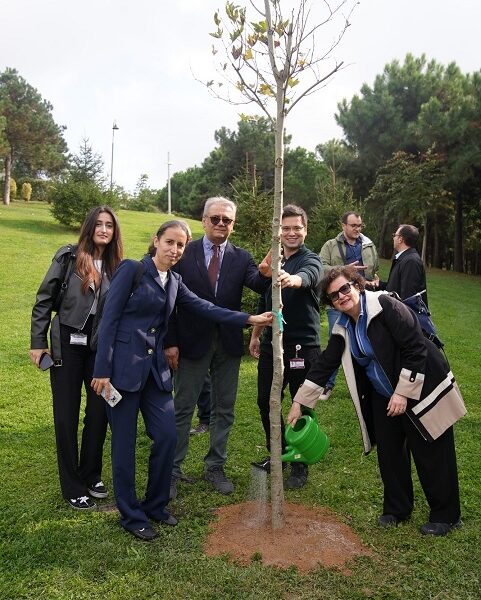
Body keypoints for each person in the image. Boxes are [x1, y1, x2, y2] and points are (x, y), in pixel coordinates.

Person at [91, 220, 272, 541]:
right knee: (124, 445)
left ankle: (155, 505)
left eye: (180, 245)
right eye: (170, 242)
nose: (174, 250)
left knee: (167, 436)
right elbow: (109, 320)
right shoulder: (132, 270)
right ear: (156, 240)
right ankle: (131, 516)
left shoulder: (175, 281)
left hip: (156, 374)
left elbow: (206, 307)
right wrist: (101, 370)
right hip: (122, 373)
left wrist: (249, 318)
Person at [287, 266, 466, 536]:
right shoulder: (343, 327)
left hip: (420, 386)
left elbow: (415, 347)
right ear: (331, 303)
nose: (341, 296)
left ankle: (446, 516)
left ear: (357, 285)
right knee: (390, 454)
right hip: (383, 395)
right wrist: (299, 402)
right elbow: (325, 364)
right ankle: (397, 509)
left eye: (345, 288)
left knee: (432, 451)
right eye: (334, 295)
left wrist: (403, 392)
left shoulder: (385, 305)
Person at [164, 197, 270, 499]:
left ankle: (215, 466)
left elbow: (257, 283)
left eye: (227, 220)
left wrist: (265, 273)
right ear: (204, 220)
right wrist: (170, 341)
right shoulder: (184, 252)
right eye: (215, 218)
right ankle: (172, 470)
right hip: (190, 342)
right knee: (183, 407)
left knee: (224, 408)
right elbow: (168, 300)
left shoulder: (241, 257)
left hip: (227, 343)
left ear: (233, 224)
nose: (221, 223)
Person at [29, 206, 123, 510]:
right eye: (99, 224)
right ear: (89, 227)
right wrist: (38, 342)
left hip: (99, 347)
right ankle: (72, 486)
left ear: (115, 232)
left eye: (109, 225)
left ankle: (90, 474)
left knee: (98, 413)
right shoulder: (68, 256)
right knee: (66, 415)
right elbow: (44, 299)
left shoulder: (118, 266)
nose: (104, 230)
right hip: (67, 344)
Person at [249, 204, 323, 489]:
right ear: (278, 231)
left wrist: (292, 279)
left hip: (302, 345)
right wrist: (256, 335)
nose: (291, 233)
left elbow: (310, 275)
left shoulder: (310, 259)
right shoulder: (274, 259)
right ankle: (277, 455)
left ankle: (300, 464)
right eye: (286, 228)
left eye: (297, 228)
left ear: (306, 230)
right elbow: (264, 301)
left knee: (299, 403)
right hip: (272, 344)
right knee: (266, 401)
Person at [318, 211, 379, 400]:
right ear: (343, 225)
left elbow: (374, 268)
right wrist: (343, 270)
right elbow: (320, 267)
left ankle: (368, 382)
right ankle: (327, 385)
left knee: (367, 340)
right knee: (336, 341)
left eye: (359, 225)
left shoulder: (368, 244)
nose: (357, 229)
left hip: (364, 300)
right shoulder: (330, 245)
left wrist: (374, 279)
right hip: (338, 302)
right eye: (353, 225)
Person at [383, 224, 428, 306]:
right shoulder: (404, 258)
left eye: (395, 235)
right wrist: (378, 284)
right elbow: (396, 287)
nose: (393, 238)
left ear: (400, 239)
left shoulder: (411, 261)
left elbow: (408, 298)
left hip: (403, 313)